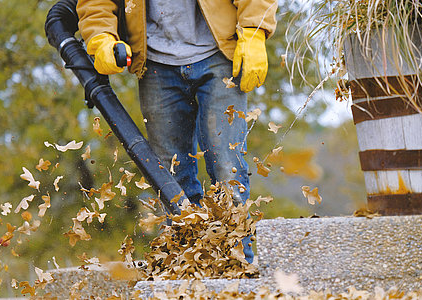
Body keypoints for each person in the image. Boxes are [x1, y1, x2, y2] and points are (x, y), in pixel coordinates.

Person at [76, 0, 277, 263]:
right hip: (156, 65)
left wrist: (254, 29)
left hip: (219, 54)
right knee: (171, 180)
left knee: (229, 172)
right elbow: (96, 3)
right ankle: (185, 270)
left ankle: (238, 266)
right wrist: (101, 36)